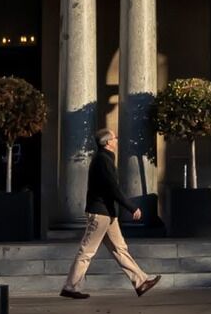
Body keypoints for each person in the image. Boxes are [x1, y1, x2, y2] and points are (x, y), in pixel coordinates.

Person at [60, 122, 157, 300]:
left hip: (108, 214)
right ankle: (70, 286)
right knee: (87, 251)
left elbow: (111, 188)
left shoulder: (105, 159)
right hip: (100, 214)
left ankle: (141, 281)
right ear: (107, 143)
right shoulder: (103, 160)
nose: (117, 140)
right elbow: (112, 188)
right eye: (114, 138)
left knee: (120, 249)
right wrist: (131, 206)